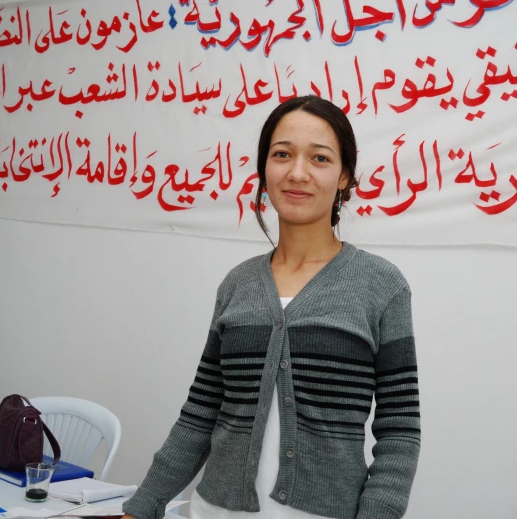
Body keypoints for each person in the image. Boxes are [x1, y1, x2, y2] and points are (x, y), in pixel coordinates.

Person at [122, 96, 421, 519]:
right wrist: (143, 504)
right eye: (282, 155)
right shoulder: (238, 285)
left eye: (319, 158)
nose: (297, 173)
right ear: (265, 169)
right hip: (213, 511)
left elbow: (400, 432)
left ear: (344, 178)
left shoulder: (382, 287)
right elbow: (200, 413)